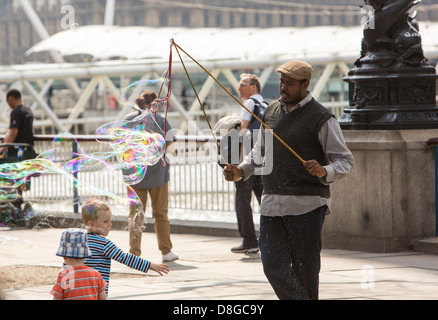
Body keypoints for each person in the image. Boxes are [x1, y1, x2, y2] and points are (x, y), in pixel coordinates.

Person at [224, 60, 354, 300]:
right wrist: (240, 170)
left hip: (308, 206)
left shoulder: (323, 118)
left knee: (306, 271)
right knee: (273, 266)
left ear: (305, 85)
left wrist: (324, 170)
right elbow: (259, 153)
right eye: (282, 82)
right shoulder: (271, 110)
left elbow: (345, 161)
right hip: (271, 203)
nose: (283, 87)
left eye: (290, 83)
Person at [124, 90, 179, 262]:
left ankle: (134, 253)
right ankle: (166, 251)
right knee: (160, 214)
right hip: (158, 174)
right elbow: (171, 149)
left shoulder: (128, 120)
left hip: (134, 174)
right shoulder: (161, 120)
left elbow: (123, 148)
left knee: (136, 214)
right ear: (155, 103)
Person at [81, 199, 169, 296]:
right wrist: (150, 265)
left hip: (77, 291)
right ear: (91, 224)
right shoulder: (103, 244)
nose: (110, 224)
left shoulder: (78, 240)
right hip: (96, 293)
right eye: (106, 221)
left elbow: (68, 265)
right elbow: (125, 258)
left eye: (110, 221)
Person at [230, 74, 267, 254]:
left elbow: (244, 131)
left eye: (242, 85)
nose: (239, 89)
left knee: (242, 200)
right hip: (266, 159)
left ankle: (249, 240)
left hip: (248, 160)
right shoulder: (268, 106)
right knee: (264, 199)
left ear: (254, 87)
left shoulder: (249, 104)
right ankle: (271, 237)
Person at [51, 228, 107, 300]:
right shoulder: (95, 275)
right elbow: (103, 298)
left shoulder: (65, 276)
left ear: (64, 257)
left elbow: (57, 298)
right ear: (84, 256)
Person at [0, 89, 35, 158]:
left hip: (17, 150)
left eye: (8, 102)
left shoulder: (15, 112)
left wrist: (2, 150)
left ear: (11, 99)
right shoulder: (28, 110)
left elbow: (13, 133)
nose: (9, 105)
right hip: (28, 148)